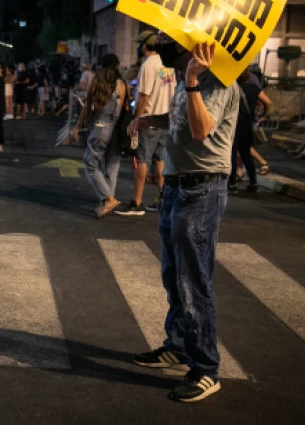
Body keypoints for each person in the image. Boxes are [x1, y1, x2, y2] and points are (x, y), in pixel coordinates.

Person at [132, 33, 239, 403]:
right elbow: (179, 118)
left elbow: (200, 128)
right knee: (172, 276)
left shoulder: (218, 80)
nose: (159, 44)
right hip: (177, 186)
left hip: (202, 189)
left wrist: (192, 81)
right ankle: (177, 346)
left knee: (193, 281)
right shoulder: (182, 77)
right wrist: (149, 120)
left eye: (166, 39)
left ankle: (205, 369)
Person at [118, 30, 175, 216]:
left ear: (143, 46)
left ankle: (136, 202)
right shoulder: (169, 64)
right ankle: (163, 200)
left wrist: (135, 119)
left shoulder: (148, 66)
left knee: (141, 159)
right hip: (167, 121)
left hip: (149, 120)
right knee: (160, 162)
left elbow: (143, 97)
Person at [70, 54, 128, 218]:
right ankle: (107, 200)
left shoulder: (96, 83)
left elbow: (87, 109)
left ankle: (108, 198)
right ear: (116, 67)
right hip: (116, 129)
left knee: (90, 163)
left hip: (99, 128)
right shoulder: (122, 85)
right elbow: (125, 109)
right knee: (112, 166)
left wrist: (77, 128)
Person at [229, 69, 273, 191]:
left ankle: (232, 183)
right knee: (246, 153)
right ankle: (253, 182)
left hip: (233, 124)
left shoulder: (230, 89)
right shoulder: (253, 88)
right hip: (247, 124)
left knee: (232, 153)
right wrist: (263, 115)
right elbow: (268, 102)